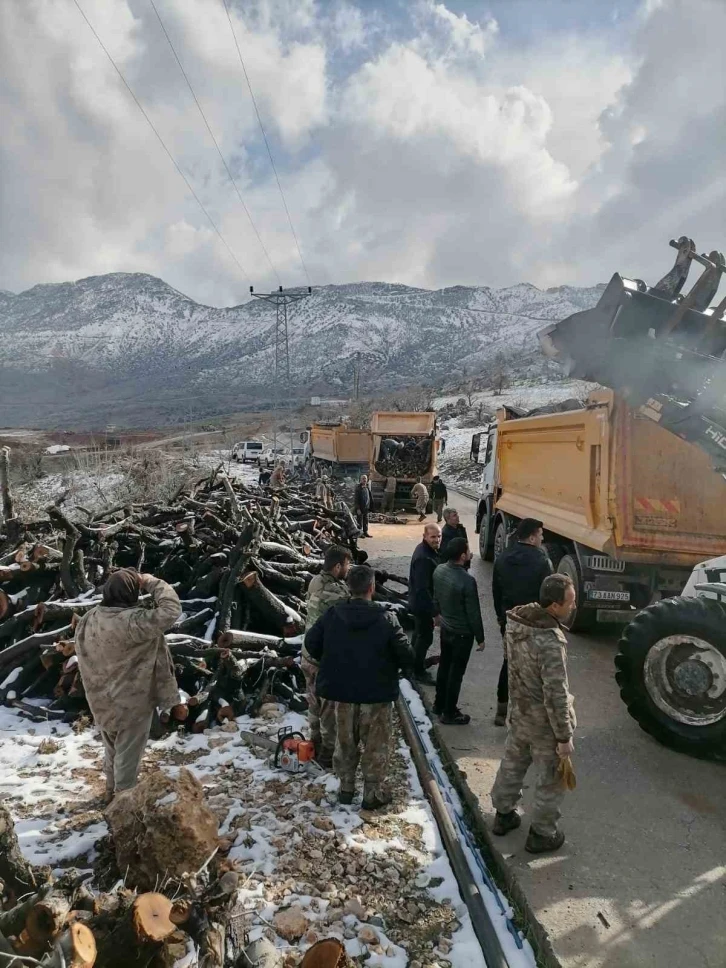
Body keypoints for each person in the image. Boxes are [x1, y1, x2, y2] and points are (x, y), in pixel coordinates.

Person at [305, 565, 414, 810]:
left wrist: (331, 659)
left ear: (349, 587)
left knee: (345, 742)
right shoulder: (387, 619)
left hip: (341, 694)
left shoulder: (333, 615)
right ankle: (372, 793)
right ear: (372, 588)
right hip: (375, 695)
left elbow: (311, 643)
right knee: (375, 745)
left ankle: (346, 788)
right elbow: (407, 655)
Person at [74, 569, 182, 801]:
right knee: (128, 754)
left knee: (112, 748)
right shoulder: (135, 622)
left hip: (100, 697)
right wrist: (151, 582)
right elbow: (172, 609)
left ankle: (111, 792)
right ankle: (123, 802)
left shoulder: (89, 619)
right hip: (132, 700)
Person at [490, 573, 576, 854]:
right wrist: (564, 736)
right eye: (570, 602)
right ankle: (542, 833)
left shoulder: (516, 624)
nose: (573, 607)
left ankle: (503, 815)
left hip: (519, 713)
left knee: (512, 763)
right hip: (543, 725)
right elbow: (556, 693)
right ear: (554, 606)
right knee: (551, 779)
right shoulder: (550, 642)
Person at [491, 518, 553, 726]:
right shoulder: (542, 560)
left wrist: (501, 617)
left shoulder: (503, 557)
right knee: (533, 668)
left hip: (509, 620)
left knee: (508, 663)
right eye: (541, 535)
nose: (542, 538)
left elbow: (496, 591)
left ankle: (501, 710)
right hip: (532, 623)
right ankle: (524, 716)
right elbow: (547, 595)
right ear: (533, 536)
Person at [301, 545, 352, 768]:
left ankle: (313, 744)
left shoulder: (314, 581)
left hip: (307, 654)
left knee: (312, 702)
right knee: (328, 709)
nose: (349, 569)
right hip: (324, 659)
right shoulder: (337, 593)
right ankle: (327, 755)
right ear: (338, 566)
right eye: (347, 565)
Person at [432, 537, 485, 725]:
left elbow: (435, 596)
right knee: (456, 674)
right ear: (463, 556)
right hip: (462, 634)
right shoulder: (467, 580)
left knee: (445, 666)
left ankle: (438, 704)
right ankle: (449, 712)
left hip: (446, 628)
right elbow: (473, 612)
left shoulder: (439, 570)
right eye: (468, 550)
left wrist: (437, 614)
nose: (471, 553)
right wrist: (480, 638)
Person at [408, 524, 441, 683]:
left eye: (439, 536)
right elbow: (423, 588)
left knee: (418, 635)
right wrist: (434, 612)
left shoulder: (427, 551)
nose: (437, 540)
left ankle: (411, 663)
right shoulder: (424, 557)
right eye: (433, 537)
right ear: (425, 536)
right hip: (422, 605)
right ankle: (418, 671)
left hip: (418, 602)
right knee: (425, 638)